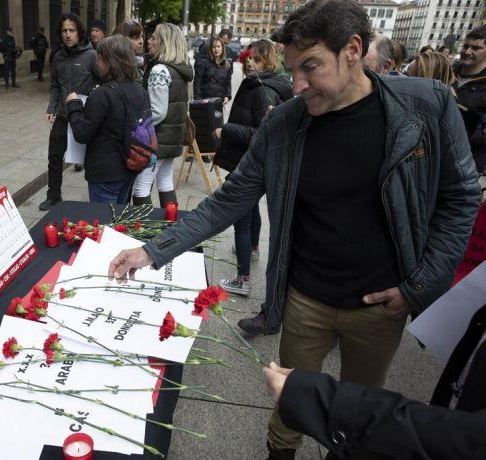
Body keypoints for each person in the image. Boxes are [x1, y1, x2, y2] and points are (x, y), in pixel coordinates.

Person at [106, 1, 482, 457]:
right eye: (292, 69)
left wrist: (420, 286)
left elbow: (460, 198)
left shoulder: (426, 106)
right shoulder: (284, 123)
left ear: (353, 50)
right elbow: (230, 198)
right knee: (287, 404)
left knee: (361, 417)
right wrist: (152, 251)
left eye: (311, 68)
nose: (298, 85)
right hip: (305, 299)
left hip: (381, 307)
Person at [263, 304, 486, 459]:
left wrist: (320, 400)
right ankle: (280, 452)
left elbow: (463, 441)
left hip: (382, 313)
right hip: (307, 293)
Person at [212, 39, 293, 303]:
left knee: (241, 221)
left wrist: (227, 130)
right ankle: (254, 250)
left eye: (256, 60)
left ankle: (242, 279)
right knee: (250, 211)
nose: (249, 63)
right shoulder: (267, 85)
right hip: (254, 162)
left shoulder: (262, 91)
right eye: (248, 58)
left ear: (268, 62)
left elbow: (260, 133)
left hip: (249, 162)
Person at [66, 35, 149, 204]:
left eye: (100, 57)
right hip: (130, 166)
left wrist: (73, 105)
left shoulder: (102, 94)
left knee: (104, 223)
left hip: (105, 173)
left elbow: (82, 133)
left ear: (110, 61)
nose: (97, 62)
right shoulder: (140, 90)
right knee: (119, 220)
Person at [40, 13, 98, 211]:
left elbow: (102, 81)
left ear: (79, 32)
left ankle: (97, 200)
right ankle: (53, 196)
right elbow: (55, 85)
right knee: (54, 157)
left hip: (84, 117)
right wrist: (51, 108)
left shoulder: (91, 55)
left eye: (71, 30)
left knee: (92, 159)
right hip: (63, 116)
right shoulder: (58, 56)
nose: (68, 34)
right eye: (64, 31)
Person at [132, 23, 193, 207]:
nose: (149, 41)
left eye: (153, 37)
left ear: (164, 42)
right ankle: (171, 225)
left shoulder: (159, 70)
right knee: (165, 182)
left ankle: (144, 231)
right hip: (172, 137)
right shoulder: (179, 69)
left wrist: (137, 127)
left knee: (141, 188)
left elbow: (158, 111)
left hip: (157, 139)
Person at [454, 25, 486, 176]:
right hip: (440, 155)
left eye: (476, 48)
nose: (467, 52)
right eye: (466, 46)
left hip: (470, 163)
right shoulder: (449, 72)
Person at [193, 36, 232, 105]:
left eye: (218, 46)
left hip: (219, 101)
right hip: (204, 100)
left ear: (222, 48)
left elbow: (228, 83)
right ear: (210, 49)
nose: (216, 49)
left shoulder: (226, 65)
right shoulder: (204, 63)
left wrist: (227, 96)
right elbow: (197, 81)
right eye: (214, 47)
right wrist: (198, 99)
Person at [115, 19, 145, 85]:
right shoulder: (119, 69)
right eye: (136, 38)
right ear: (122, 40)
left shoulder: (137, 65)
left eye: (141, 37)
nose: (141, 41)